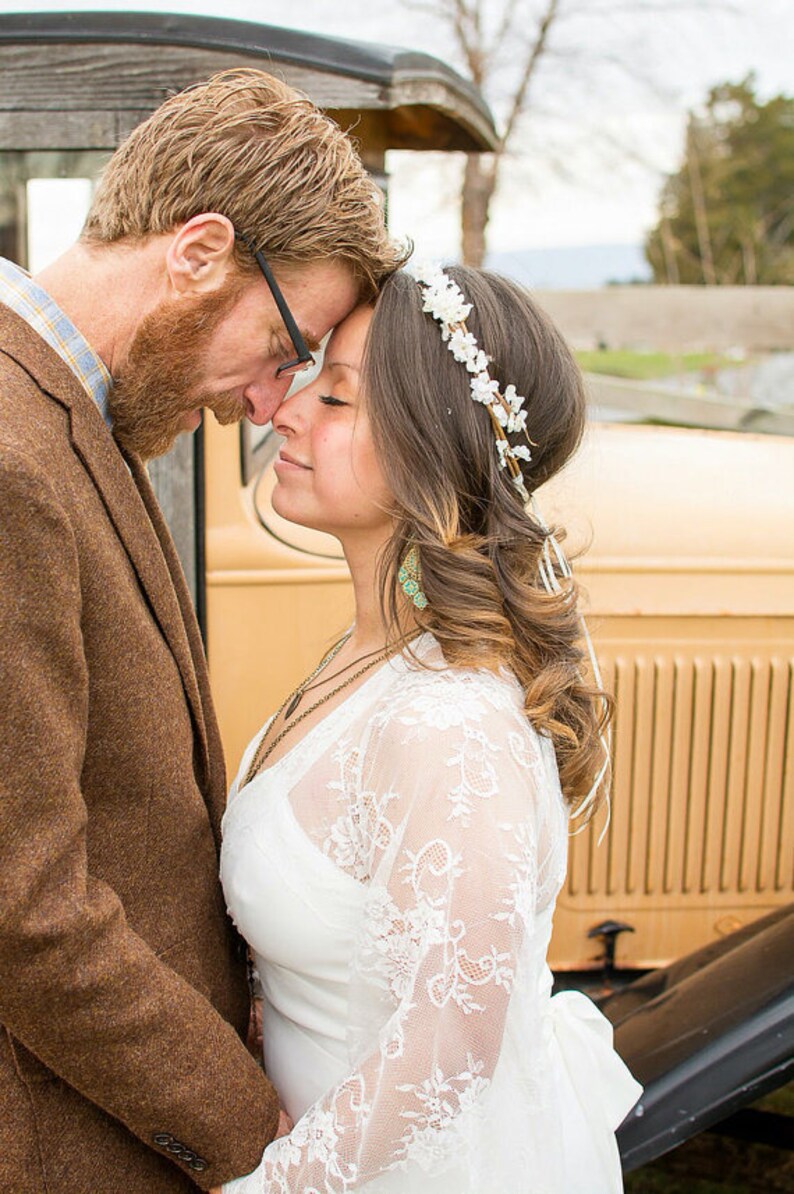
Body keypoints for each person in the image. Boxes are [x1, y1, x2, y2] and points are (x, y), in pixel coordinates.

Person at [0, 68, 405, 1192]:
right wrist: (253, 1135)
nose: (271, 400)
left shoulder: (64, 416)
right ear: (196, 252)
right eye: (286, 343)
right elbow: (21, 910)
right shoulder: (10, 458)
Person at [220, 265, 643, 1193]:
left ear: (434, 448)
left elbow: (449, 1045)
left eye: (337, 396)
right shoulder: (367, 655)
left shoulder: (451, 720)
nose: (285, 413)